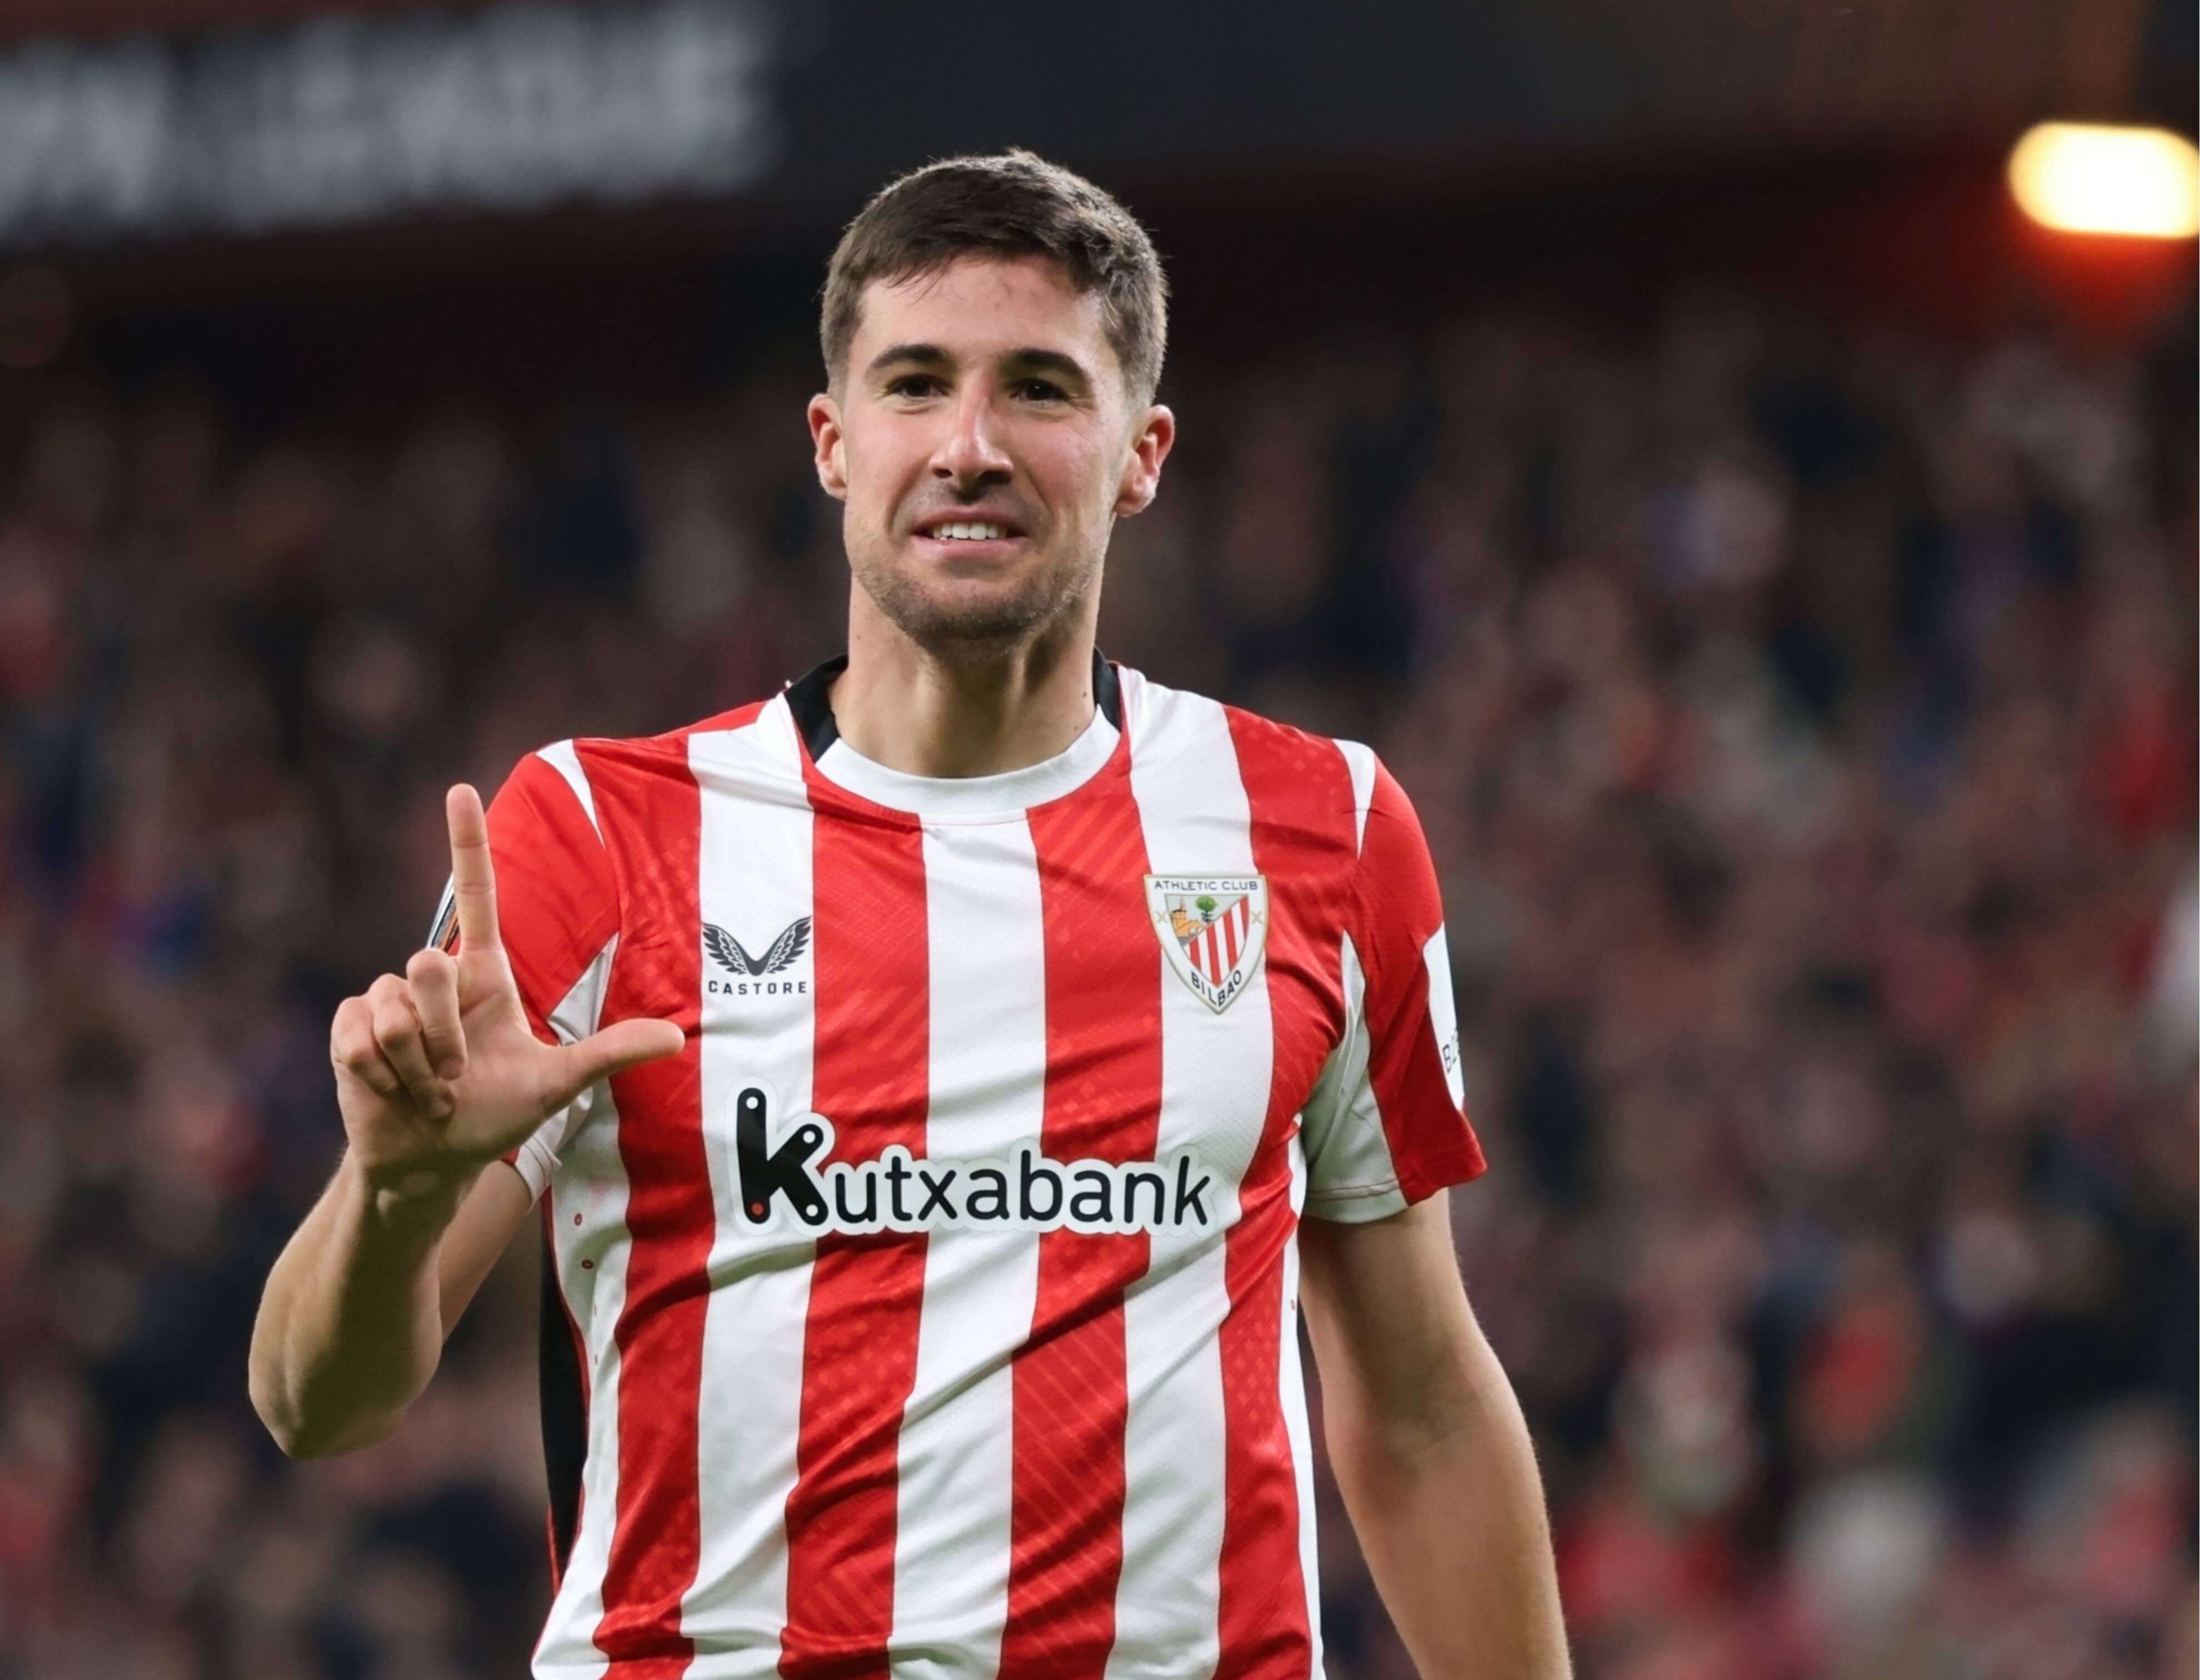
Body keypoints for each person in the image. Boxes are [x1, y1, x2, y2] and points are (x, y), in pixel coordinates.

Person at [250, 150, 1572, 1679]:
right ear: (831, 441)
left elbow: (1417, 1409)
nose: (969, 445)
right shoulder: (599, 838)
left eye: (1038, 390)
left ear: (1141, 453)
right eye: (916, 384)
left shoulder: (1323, 832)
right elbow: (311, 1403)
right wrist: (397, 1194)